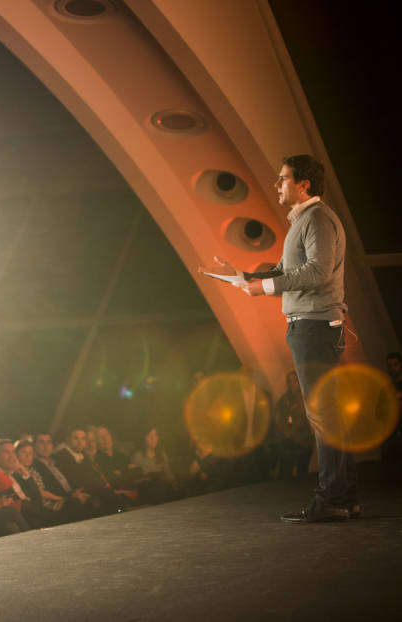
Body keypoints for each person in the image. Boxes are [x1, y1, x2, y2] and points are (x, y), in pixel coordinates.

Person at [206, 154, 356, 522]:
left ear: (303, 184)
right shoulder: (306, 220)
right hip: (311, 325)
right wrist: (242, 275)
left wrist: (266, 286)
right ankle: (343, 497)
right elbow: (291, 269)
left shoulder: (318, 218)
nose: (277, 185)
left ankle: (332, 498)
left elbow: (317, 271)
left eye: (283, 178)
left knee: (323, 415)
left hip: (314, 326)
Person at [273, 371, 315, 479]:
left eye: (295, 380)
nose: (292, 383)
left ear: (299, 381)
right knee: (286, 474)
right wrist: (283, 435)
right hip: (288, 443)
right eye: (289, 381)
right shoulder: (283, 400)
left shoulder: (306, 398)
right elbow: (278, 419)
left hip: (304, 442)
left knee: (302, 473)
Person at [130, 428, 179, 504]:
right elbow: (135, 480)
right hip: (146, 490)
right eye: (149, 436)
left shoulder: (162, 455)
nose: (153, 439)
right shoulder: (138, 456)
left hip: (162, 488)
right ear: (144, 438)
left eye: (155, 435)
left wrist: (174, 481)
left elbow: (168, 473)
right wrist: (151, 477)